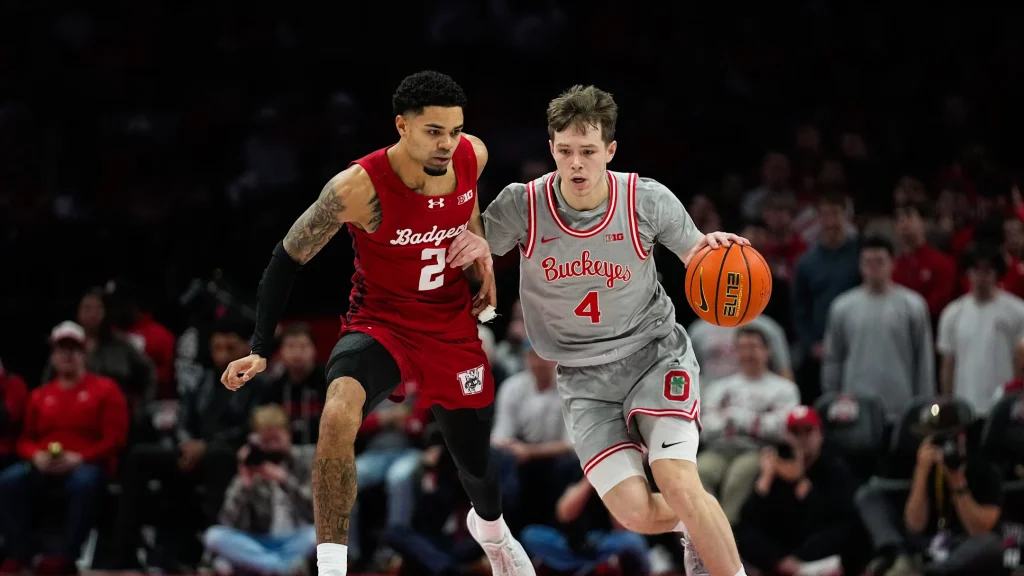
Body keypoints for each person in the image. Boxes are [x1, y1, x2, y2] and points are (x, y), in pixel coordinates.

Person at [220, 71, 532, 576]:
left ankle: (494, 534)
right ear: (401, 127)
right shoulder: (357, 188)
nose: (447, 144)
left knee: (474, 463)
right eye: (433, 131)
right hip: (380, 323)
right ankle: (331, 566)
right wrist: (260, 345)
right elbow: (286, 258)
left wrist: (483, 264)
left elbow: (467, 202)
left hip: (450, 325)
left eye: (453, 131)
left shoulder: (472, 154)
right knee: (338, 413)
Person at [479, 84, 749, 576]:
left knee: (676, 478)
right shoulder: (522, 205)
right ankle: (696, 522)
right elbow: (467, 253)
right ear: (551, 149)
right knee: (634, 512)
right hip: (582, 377)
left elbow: (698, 258)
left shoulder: (646, 199)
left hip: (654, 354)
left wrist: (719, 256)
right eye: (565, 152)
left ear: (610, 150)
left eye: (587, 152)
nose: (576, 164)